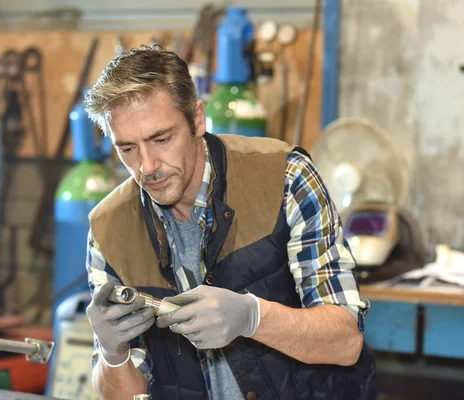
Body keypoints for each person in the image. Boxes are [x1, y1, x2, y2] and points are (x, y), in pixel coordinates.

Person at [82, 45, 377, 400]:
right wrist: (113, 356)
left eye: (161, 139)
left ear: (197, 119)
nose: (146, 166)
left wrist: (252, 317)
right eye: (127, 148)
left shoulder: (285, 178)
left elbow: (345, 341)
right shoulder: (108, 230)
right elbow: (125, 394)